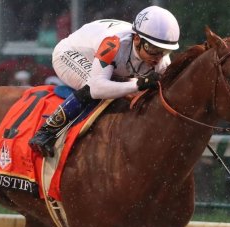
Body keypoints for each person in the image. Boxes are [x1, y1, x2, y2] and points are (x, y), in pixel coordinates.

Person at [29, 5, 179, 156]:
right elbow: (97, 88)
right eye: (152, 49)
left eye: (164, 51)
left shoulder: (162, 60)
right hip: (70, 54)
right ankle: (46, 132)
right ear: (137, 38)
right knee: (94, 88)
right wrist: (138, 84)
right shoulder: (113, 43)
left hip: (109, 64)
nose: (158, 57)